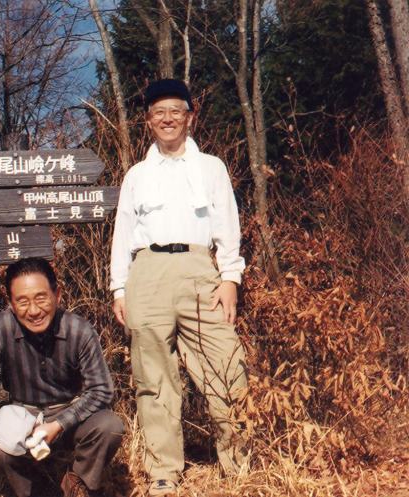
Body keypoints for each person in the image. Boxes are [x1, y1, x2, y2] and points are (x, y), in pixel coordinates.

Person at [110, 79, 249, 496]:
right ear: (148, 120)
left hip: (199, 270)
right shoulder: (137, 175)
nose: (167, 119)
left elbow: (227, 226)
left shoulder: (211, 167)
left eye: (176, 111)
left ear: (190, 116)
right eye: (159, 112)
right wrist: (119, 288)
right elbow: (123, 234)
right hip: (147, 273)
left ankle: (238, 463)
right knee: (153, 377)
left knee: (227, 364)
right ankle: (163, 471)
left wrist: (230, 278)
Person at [0, 258, 125, 497]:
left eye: (41, 298)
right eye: (22, 301)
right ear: (11, 303)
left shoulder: (78, 329)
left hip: (69, 416)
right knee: (1, 451)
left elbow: (102, 390)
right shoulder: (0, 328)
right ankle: (35, 491)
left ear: (57, 295)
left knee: (109, 426)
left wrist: (59, 424)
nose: (33, 311)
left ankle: (77, 484)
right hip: (22, 418)